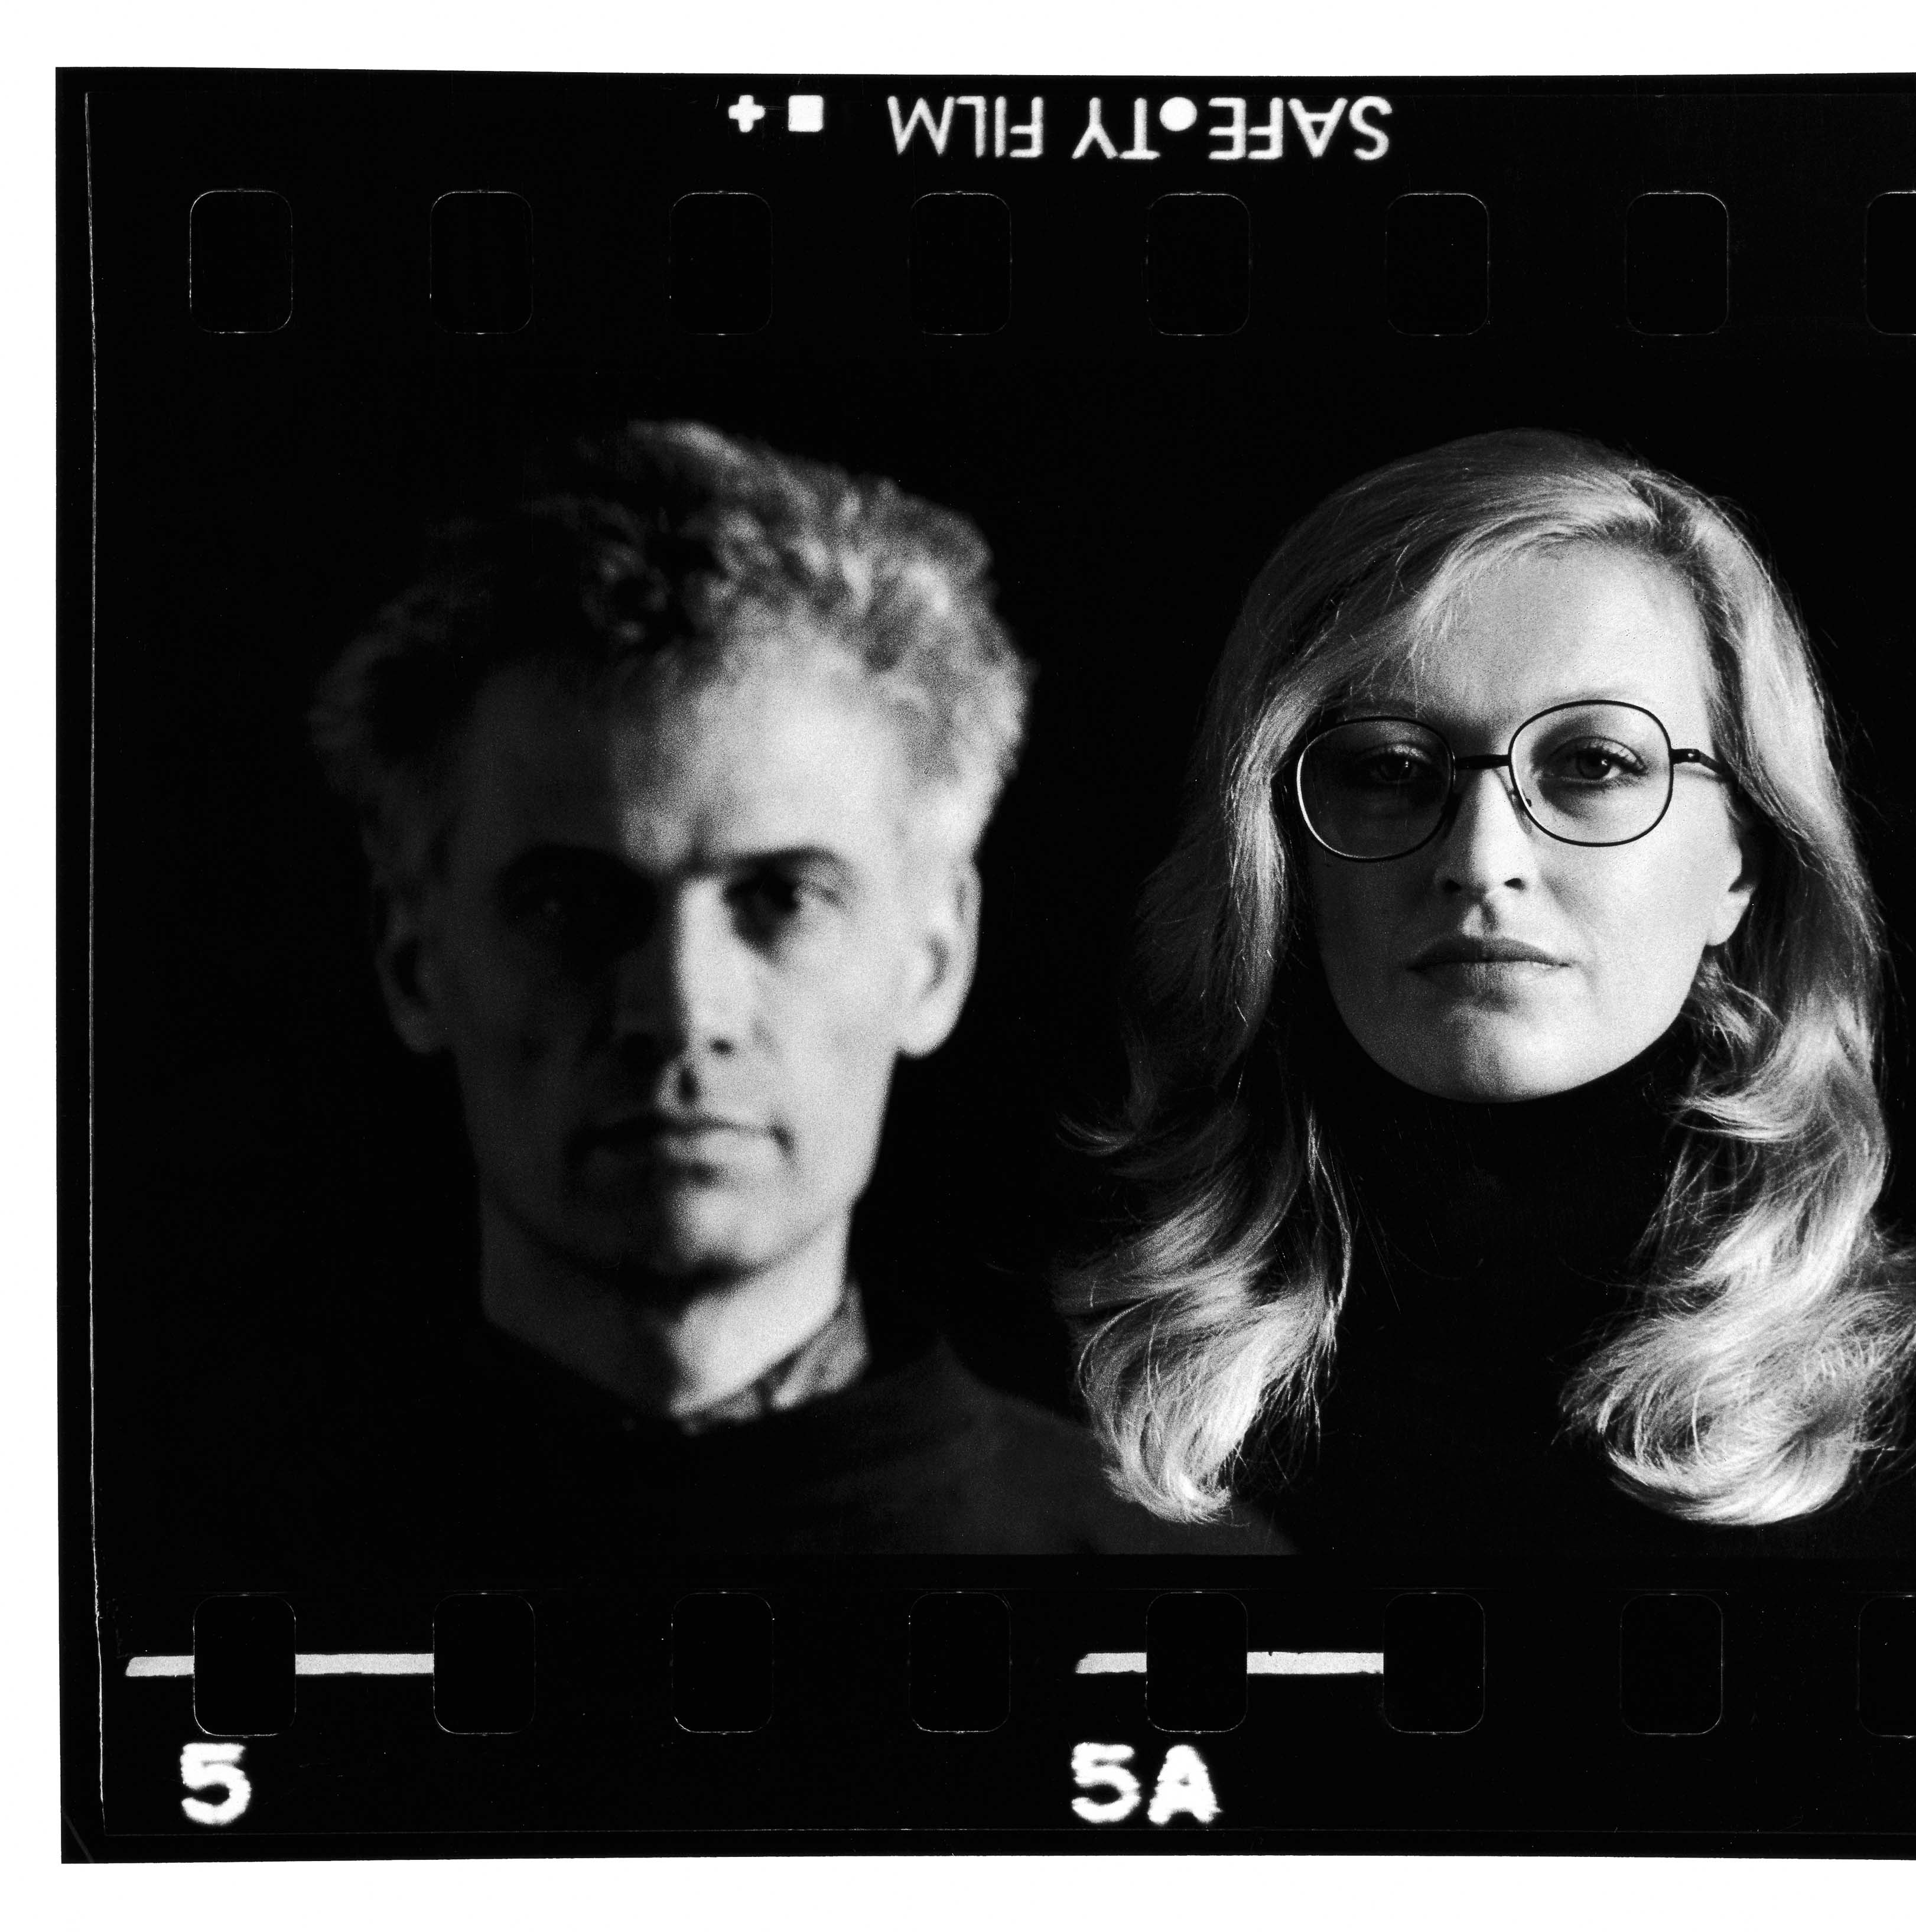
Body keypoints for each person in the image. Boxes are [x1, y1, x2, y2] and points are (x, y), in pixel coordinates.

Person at [229, 418, 1279, 1578]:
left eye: (783, 897)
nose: (681, 1012)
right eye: (571, 903)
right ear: (410, 961)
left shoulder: (1179, 1600)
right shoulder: (174, 1573)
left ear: (935, 956)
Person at [1062, 428, 1916, 1562]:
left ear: (1742, 859)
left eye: (1594, 764)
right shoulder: (1068, 1364)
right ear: (1279, 850)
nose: (1483, 862)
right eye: (1389, 768)